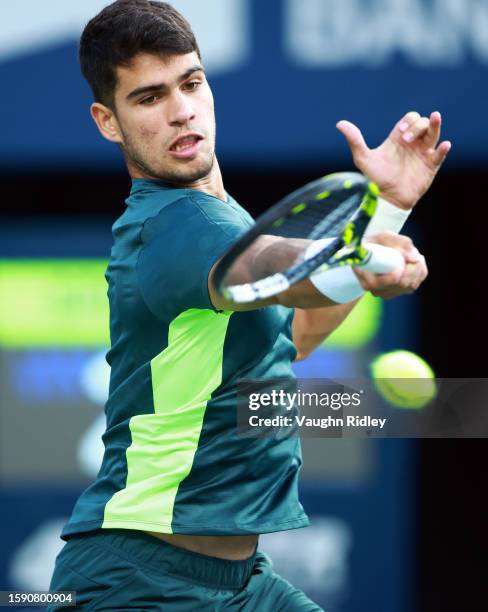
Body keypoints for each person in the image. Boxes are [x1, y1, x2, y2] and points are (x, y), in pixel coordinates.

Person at [48, 1, 451, 610]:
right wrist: (363, 254)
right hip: (136, 583)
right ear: (109, 122)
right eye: (149, 98)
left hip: (241, 585)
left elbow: (299, 333)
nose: (181, 110)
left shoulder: (225, 217)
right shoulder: (173, 227)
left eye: (191, 83)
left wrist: (389, 206)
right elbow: (282, 269)